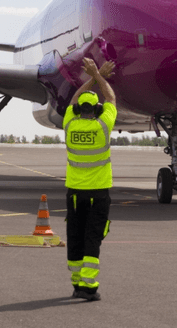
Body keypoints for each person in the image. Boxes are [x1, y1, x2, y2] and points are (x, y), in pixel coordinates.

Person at [63, 58, 117, 302]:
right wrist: (99, 76)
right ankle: (89, 286)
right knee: (93, 237)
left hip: (74, 193)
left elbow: (74, 99)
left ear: (77, 110)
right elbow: (111, 100)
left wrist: (90, 78)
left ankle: (76, 284)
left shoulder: (69, 124)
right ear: (96, 110)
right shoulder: (103, 127)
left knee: (75, 236)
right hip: (98, 193)